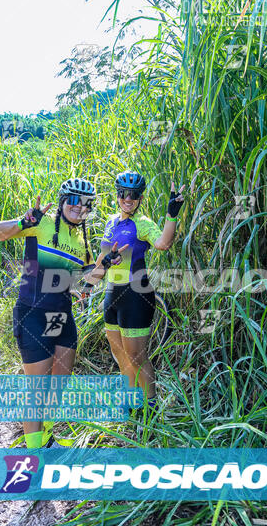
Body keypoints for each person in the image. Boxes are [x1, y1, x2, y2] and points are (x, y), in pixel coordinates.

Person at [0, 178, 127, 448]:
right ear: (63, 201)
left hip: (62, 317)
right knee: (36, 392)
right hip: (33, 313)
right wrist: (22, 222)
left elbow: (84, 281)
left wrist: (106, 264)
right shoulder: (39, 224)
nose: (80, 207)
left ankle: (47, 438)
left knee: (58, 385)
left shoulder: (81, 239)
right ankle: (34, 453)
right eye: (74, 200)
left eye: (86, 203)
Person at [96, 171, 185, 418]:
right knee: (120, 354)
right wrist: (88, 283)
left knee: (137, 356)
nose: (128, 198)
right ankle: (131, 400)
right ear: (117, 196)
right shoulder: (111, 223)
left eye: (133, 195)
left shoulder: (143, 223)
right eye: (124, 193)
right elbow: (100, 264)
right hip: (112, 295)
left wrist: (171, 215)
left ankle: (151, 406)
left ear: (140, 198)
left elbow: (163, 243)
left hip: (136, 296)